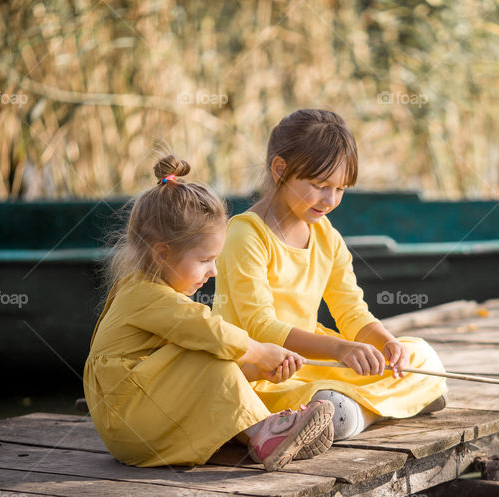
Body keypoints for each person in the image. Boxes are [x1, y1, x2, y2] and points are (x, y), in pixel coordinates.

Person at [83, 155, 334, 470]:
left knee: (207, 349)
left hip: (137, 419)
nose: (213, 271)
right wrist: (259, 352)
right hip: (131, 424)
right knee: (208, 344)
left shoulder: (144, 289)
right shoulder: (146, 296)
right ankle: (265, 434)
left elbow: (188, 379)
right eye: (204, 260)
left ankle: (259, 432)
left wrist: (254, 371)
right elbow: (210, 330)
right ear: (162, 253)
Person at [214, 109, 447, 440]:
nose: (330, 200)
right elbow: (260, 326)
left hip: (312, 361)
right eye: (320, 186)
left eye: (340, 189)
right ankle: (370, 410)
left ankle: (357, 412)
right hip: (264, 369)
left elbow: (351, 311)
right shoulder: (246, 234)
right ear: (280, 170)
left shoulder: (327, 237)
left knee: (421, 355)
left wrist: (385, 342)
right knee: (317, 398)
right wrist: (339, 349)